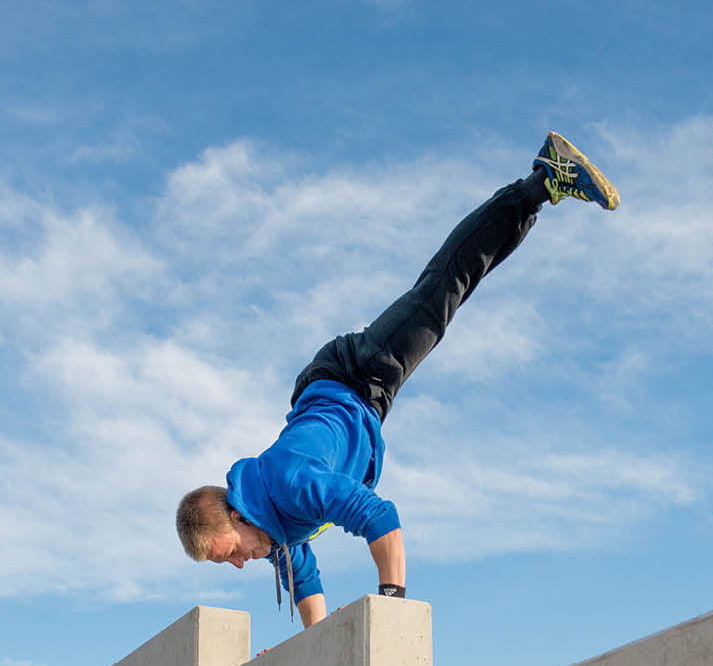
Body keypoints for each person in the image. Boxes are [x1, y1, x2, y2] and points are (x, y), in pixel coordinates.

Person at [176, 132, 620, 627]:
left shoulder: (288, 482)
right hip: (354, 397)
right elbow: (304, 580)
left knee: (443, 287)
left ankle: (543, 180)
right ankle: (543, 192)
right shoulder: (276, 532)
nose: (240, 564)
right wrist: (319, 650)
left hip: (355, 373)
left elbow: (378, 516)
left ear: (237, 515)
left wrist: (390, 600)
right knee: (455, 292)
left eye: (231, 553)